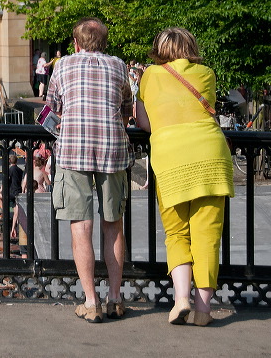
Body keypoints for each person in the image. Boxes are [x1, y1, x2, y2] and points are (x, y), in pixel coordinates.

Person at [135, 27, 234, 326]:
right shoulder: (207, 74)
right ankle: (203, 310)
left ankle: (181, 300)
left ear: (159, 50)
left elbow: (143, 122)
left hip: (171, 159)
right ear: (191, 47)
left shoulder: (150, 75)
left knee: (176, 233)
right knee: (207, 235)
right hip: (211, 156)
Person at [46, 17, 133, 323]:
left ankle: (91, 302)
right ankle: (115, 299)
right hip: (113, 151)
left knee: (81, 227)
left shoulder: (63, 66)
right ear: (105, 43)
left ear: (76, 43)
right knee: (113, 225)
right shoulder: (119, 66)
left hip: (73, 151)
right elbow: (127, 110)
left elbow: (51, 109)